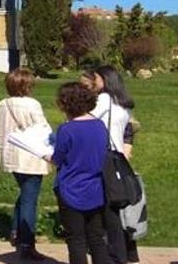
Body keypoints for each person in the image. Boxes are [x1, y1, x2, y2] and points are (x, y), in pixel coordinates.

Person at [51, 82, 110, 264]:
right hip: (96, 187)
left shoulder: (66, 130)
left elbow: (58, 159)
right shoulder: (100, 126)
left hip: (70, 188)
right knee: (96, 238)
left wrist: (48, 156)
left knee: (76, 239)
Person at [0, 68, 50, 261]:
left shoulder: (3, 104)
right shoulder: (32, 104)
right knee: (30, 200)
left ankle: (15, 230)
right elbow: (43, 128)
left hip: (12, 154)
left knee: (25, 193)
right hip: (30, 156)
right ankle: (27, 243)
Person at [91, 65, 137, 264]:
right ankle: (124, 253)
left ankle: (110, 255)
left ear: (104, 80)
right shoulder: (123, 103)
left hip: (102, 157)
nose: (94, 83)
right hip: (118, 158)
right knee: (115, 209)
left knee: (104, 211)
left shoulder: (103, 100)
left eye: (96, 79)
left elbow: (88, 118)